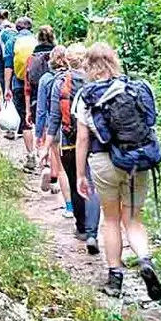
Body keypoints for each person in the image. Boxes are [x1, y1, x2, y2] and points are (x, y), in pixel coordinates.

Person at [74, 42, 161, 300]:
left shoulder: (87, 95)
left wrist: (80, 174)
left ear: (89, 67)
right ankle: (145, 261)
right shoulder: (135, 88)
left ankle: (115, 278)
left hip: (104, 162)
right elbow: (149, 121)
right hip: (137, 159)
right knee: (134, 219)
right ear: (114, 62)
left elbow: (82, 139)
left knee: (111, 219)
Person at [45, 43, 100, 254]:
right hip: (94, 142)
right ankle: (92, 232)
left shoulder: (60, 82)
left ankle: (81, 227)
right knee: (92, 185)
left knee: (75, 180)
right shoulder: (94, 81)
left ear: (67, 60)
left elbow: (54, 116)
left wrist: (47, 143)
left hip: (68, 141)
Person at [34, 45, 72, 205]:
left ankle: (68, 205)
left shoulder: (46, 79)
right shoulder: (73, 77)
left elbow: (41, 109)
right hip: (71, 126)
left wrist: (38, 133)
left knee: (58, 160)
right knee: (73, 166)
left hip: (53, 124)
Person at [22, 26, 56, 172]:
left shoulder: (31, 59)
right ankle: (53, 166)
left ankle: (44, 165)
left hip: (37, 101)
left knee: (42, 133)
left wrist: (28, 110)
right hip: (58, 100)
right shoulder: (60, 56)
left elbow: (27, 87)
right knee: (55, 135)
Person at [2, 16, 35, 141]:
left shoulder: (12, 41)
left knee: (22, 112)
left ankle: (29, 150)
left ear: (17, 28)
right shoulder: (36, 40)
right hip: (36, 83)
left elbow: (8, 66)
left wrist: (7, 88)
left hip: (19, 82)